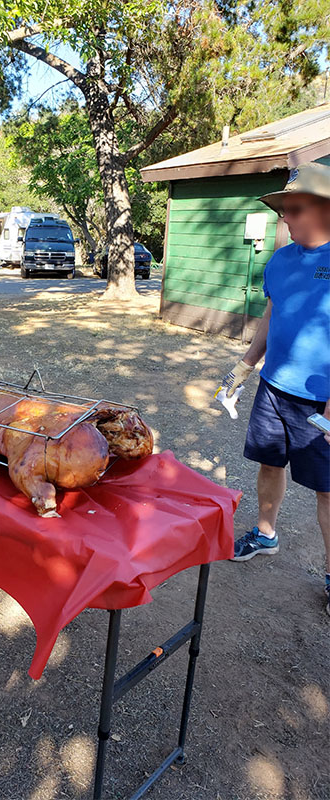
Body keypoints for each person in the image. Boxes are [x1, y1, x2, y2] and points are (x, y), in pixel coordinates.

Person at [220, 162, 330, 615]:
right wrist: (245, 367)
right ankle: (266, 533)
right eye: (283, 210)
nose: (286, 217)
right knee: (269, 463)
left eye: (295, 208)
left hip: (319, 401)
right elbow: (272, 315)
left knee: (327, 490)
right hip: (273, 388)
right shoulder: (282, 260)